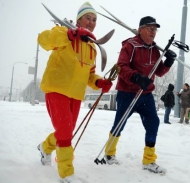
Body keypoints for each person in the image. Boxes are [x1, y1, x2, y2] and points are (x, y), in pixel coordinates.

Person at [37, 2, 112, 183]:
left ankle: (45, 147)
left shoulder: (92, 48)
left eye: (94, 20)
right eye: (88, 18)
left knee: (66, 132)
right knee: (64, 131)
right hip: (56, 89)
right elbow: (43, 39)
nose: (91, 22)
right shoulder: (63, 33)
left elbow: (90, 75)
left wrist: (99, 82)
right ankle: (66, 174)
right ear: (78, 19)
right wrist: (70, 34)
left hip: (76, 96)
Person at [104, 16, 177, 174]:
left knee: (153, 122)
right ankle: (109, 154)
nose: (153, 32)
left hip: (146, 94)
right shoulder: (130, 45)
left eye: (155, 29)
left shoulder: (155, 50)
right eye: (150, 28)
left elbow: (159, 71)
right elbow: (121, 67)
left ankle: (149, 160)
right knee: (119, 124)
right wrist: (136, 77)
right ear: (140, 29)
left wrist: (168, 62)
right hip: (128, 93)